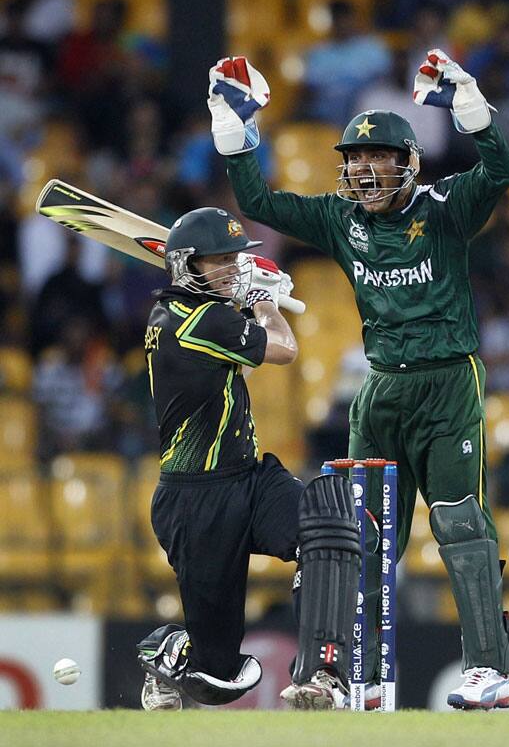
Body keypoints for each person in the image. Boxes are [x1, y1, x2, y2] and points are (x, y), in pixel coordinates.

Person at [207, 50, 509, 710]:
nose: (364, 169)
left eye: (379, 156)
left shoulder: (444, 209)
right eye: (354, 157)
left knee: (460, 521)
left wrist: (470, 110)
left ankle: (487, 667)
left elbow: (502, 169)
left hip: (447, 383)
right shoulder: (339, 219)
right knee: (362, 537)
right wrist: (234, 131)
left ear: (410, 162)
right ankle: (351, 676)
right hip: (380, 390)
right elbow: (256, 200)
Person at [136, 206, 362, 711]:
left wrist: (254, 300)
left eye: (237, 259)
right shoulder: (191, 321)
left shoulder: (191, 312)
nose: (234, 270)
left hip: (249, 478)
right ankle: (166, 651)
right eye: (220, 261)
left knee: (327, 520)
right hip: (195, 502)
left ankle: (322, 674)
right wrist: (266, 304)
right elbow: (283, 350)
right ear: (186, 266)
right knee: (218, 678)